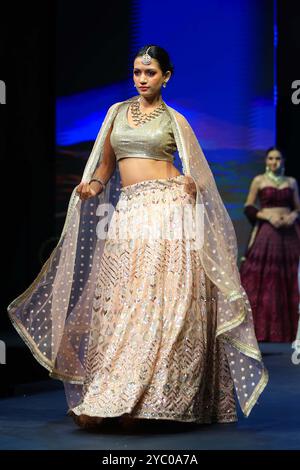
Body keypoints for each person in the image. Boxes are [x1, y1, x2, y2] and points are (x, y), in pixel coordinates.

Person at [8, 45, 268, 430]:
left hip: (168, 212)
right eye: (137, 72)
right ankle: (115, 390)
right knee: (123, 303)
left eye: (150, 73)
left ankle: (153, 397)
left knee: (159, 303)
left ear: (166, 76)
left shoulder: (176, 120)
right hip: (129, 214)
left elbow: (199, 175)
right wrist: (93, 187)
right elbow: (106, 168)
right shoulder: (115, 114)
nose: (142, 79)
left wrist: (190, 186)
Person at [240, 147, 300, 342]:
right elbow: (248, 206)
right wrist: (266, 215)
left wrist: (292, 216)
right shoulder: (259, 180)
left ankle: (292, 331)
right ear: (266, 160)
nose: (274, 162)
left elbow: (298, 207)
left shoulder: (291, 182)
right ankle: (261, 331)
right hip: (268, 232)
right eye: (271, 158)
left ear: (283, 161)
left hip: (289, 233)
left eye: (278, 158)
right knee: (266, 277)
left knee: (290, 275)